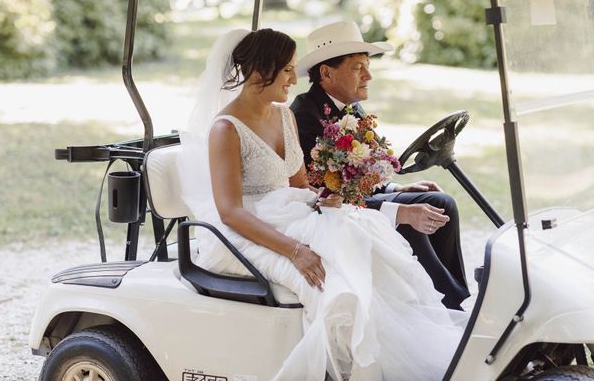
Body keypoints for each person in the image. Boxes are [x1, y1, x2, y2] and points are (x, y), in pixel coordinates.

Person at [178, 28, 466, 381]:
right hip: (248, 226)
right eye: (286, 71)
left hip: (290, 209)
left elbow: (300, 184)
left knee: (366, 240)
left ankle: (406, 354)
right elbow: (230, 212)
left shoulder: (283, 115)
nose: (292, 80)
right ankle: (351, 369)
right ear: (258, 71)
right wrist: (295, 251)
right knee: (333, 280)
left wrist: (330, 200)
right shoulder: (226, 128)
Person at [290, 21, 470, 310]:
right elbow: (325, 195)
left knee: (440, 203)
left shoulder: (350, 107)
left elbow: (361, 174)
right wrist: (399, 209)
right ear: (326, 72)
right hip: (329, 211)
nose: (368, 76)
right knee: (411, 220)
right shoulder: (305, 115)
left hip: (354, 200)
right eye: (357, 67)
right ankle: (451, 305)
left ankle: (458, 297)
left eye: (367, 66)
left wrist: (398, 186)